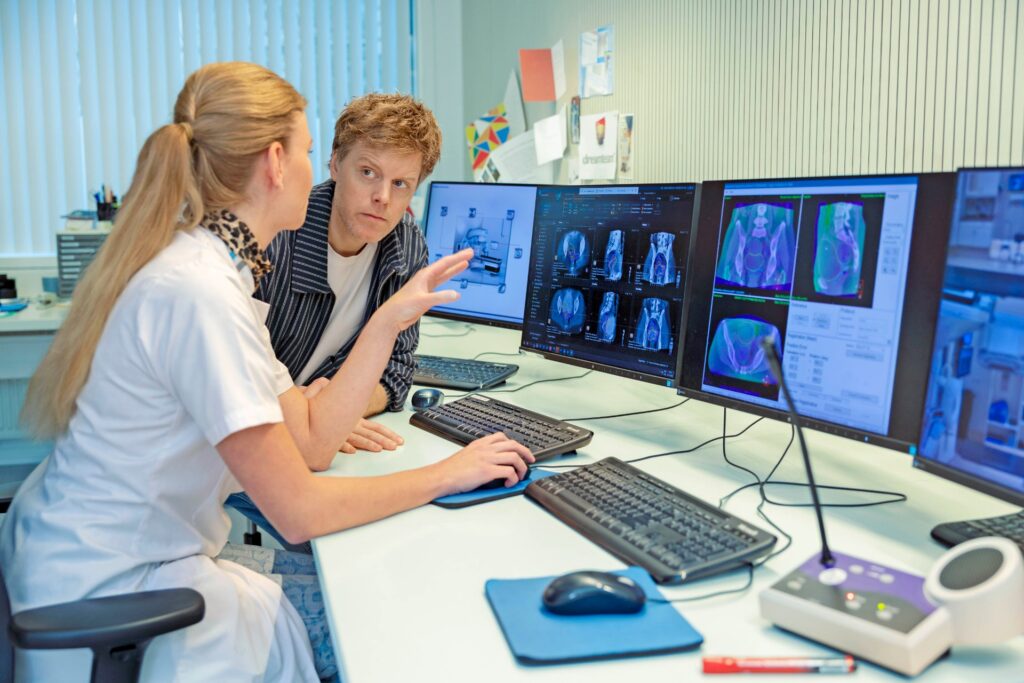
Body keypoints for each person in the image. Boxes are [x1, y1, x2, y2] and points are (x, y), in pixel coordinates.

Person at [1, 62, 533, 682]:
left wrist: (386, 322)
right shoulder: (201, 295)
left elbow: (310, 440)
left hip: (123, 560)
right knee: (387, 623)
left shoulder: (216, 274)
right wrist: (445, 474)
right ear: (278, 164)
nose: (323, 175)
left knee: (366, 583)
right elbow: (299, 512)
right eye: (312, 152)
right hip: (115, 594)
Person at [225, 93, 442, 552]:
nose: (383, 198)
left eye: (402, 184)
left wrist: (335, 410)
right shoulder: (275, 238)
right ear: (333, 164)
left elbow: (397, 375)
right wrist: (314, 421)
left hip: (306, 440)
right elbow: (237, 381)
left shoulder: (407, 249)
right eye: (368, 173)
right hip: (241, 455)